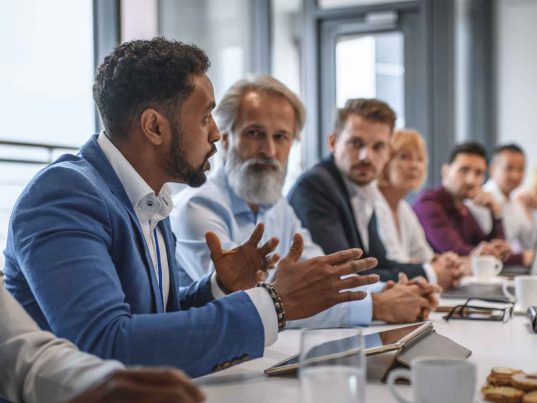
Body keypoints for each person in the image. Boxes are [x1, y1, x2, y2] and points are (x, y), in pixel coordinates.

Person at [3, 38, 379, 378]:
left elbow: (150, 318)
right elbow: (105, 345)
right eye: (204, 117)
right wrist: (275, 303)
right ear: (154, 126)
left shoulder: (150, 195)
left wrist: (218, 288)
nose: (216, 133)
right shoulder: (64, 195)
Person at [171, 76, 438, 326]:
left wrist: (394, 290)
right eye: (254, 133)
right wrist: (376, 305)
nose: (269, 150)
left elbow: (321, 276)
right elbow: (250, 303)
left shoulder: (277, 205)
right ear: (226, 139)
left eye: (281, 137)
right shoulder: (198, 207)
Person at [288, 98, 462, 284]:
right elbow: (343, 273)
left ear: (388, 152)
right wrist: (430, 274)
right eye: (356, 143)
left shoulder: (365, 190)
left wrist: (431, 269)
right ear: (333, 142)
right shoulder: (316, 187)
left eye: (378, 147)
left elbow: (376, 262)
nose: (366, 157)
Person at [0, 281, 204, 403]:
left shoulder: (152, 215)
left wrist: (96, 381)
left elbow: (24, 355)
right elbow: (109, 339)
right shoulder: (60, 211)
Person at [375, 129, 464, 289]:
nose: (415, 166)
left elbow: (424, 256)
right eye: (404, 157)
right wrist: (433, 268)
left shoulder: (403, 208)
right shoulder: (374, 203)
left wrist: (444, 262)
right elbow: (392, 264)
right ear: (385, 161)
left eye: (420, 159)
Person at [412, 142, 518, 263]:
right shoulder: (428, 204)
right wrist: (521, 258)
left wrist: (496, 214)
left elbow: (490, 249)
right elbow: (455, 250)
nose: (471, 180)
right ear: (445, 171)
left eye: (478, 173)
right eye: (464, 170)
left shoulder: (463, 208)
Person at [473, 144, 535, 254]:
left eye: (521, 169)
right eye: (509, 168)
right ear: (492, 169)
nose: (515, 175)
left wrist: (529, 210)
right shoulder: (480, 201)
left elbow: (529, 243)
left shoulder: (516, 203)